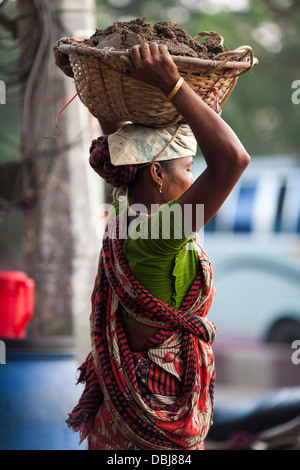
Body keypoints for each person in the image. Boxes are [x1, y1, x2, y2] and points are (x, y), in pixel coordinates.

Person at [54, 41, 250, 450]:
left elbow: (121, 150)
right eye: (188, 169)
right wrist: (174, 85)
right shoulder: (158, 234)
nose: (194, 181)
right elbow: (233, 160)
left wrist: (87, 78)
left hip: (119, 424)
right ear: (158, 175)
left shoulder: (128, 214)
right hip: (155, 427)